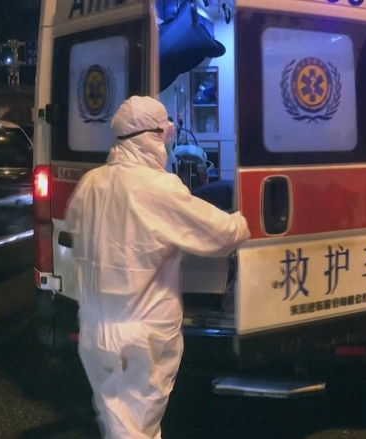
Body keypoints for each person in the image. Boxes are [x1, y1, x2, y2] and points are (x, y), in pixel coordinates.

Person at [65, 95, 250, 439]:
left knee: (116, 418)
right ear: (150, 136)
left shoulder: (90, 182)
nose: (168, 140)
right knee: (136, 427)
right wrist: (246, 218)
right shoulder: (159, 188)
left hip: (94, 328)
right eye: (165, 132)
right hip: (144, 335)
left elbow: (76, 231)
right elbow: (220, 234)